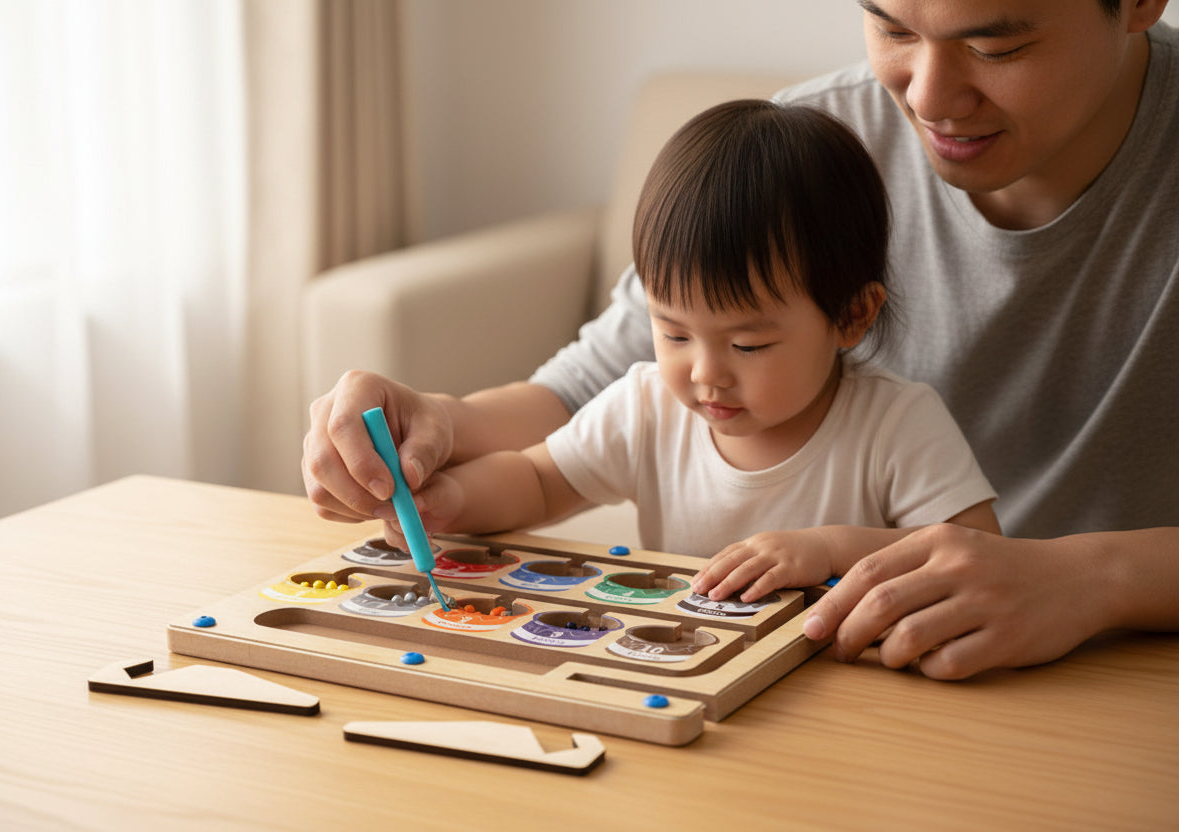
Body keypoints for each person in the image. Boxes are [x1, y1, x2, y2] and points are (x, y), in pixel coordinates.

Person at [302, 0, 1179, 679]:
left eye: (996, 46)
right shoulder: (807, 148)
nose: (928, 97)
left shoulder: (891, 410)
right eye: (890, 25)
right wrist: (434, 433)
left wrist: (1088, 579)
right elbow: (593, 390)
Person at [377, 100, 999, 599]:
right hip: (687, 679)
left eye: (749, 344)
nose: (705, 374)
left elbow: (976, 555)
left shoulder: (898, 424)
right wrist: (446, 502)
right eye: (673, 334)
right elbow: (538, 481)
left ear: (852, 315)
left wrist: (831, 550)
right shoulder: (648, 407)